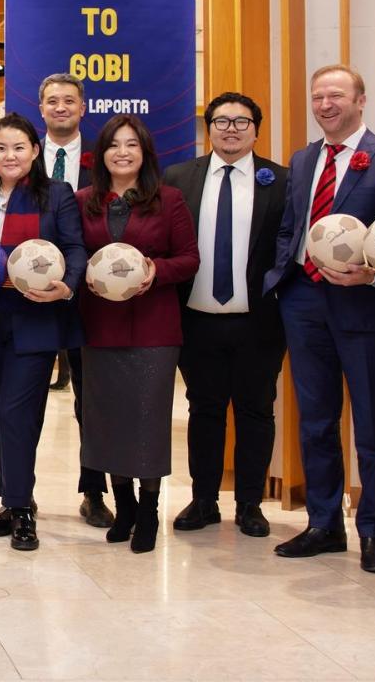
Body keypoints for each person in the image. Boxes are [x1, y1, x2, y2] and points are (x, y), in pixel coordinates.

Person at [265, 64, 375, 575]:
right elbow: (292, 226)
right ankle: (324, 524)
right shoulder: (304, 159)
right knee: (316, 420)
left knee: (373, 425)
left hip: (363, 305)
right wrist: (282, 278)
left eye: (336, 95)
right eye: (317, 96)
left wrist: (370, 276)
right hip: (304, 302)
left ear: (360, 100)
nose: (325, 104)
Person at [0, 114, 84, 551]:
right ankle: (12, 501)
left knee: (16, 412)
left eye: (19, 147)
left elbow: (74, 249)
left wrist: (68, 286)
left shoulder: (57, 195)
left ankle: (22, 506)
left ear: (35, 152)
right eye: (1, 148)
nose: (10, 156)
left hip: (36, 319)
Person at [162, 93, 289, 538]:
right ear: (209, 128)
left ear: (256, 128)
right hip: (196, 318)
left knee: (256, 411)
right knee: (205, 409)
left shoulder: (281, 182)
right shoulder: (178, 179)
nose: (230, 129)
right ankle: (203, 500)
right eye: (221, 121)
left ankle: (251, 504)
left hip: (259, 321)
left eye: (241, 121)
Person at [75, 114, 199, 554]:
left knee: (147, 420)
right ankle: (122, 507)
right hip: (100, 325)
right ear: (101, 153)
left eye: (132, 144)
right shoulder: (84, 200)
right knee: (108, 421)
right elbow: (74, 255)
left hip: (154, 326)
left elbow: (189, 259)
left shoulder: (169, 200)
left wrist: (155, 271)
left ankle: (149, 511)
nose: (122, 152)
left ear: (145, 153)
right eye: (113, 144)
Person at [37, 72, 112, 527]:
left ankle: (94, 491)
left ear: (83, 108)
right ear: (41, 108)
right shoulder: (22, 157)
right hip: (30, 296)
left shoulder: (103, 161)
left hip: (90, 299)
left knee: (92, 400)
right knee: (24, 397)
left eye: (69, 100)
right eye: (52, 101)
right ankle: (15, 494)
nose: (61, 107)